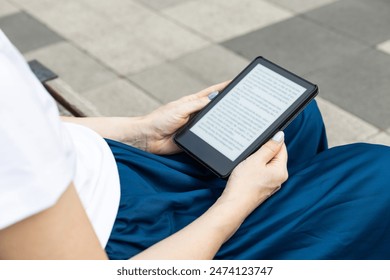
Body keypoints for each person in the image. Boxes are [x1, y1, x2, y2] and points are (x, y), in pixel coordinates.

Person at [1, 29, 389, 260]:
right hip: (123, 237)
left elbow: (34, 126)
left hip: (110, 169)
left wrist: (141, 131)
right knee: (378, 175)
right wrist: (236, 206)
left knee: (294, 118)